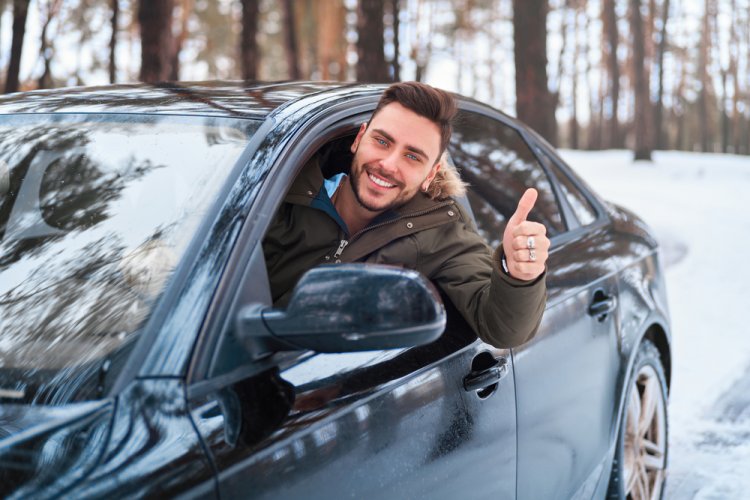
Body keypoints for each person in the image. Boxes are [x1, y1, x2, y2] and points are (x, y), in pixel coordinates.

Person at [262, 82, 549, 348]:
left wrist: (520, 275)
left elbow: (502, 328)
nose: (388, 164)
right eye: (382, 142)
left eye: (412, 156)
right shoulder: (276, 190)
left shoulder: (441, 231)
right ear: (359, 139)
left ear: (431, 174)